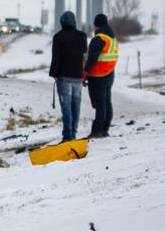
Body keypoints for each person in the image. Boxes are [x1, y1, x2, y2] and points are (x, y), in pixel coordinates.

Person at [49, 10, 88, 141]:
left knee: (66, 108)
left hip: (64, 77)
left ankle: (67, 136)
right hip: (78, 76)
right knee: (75, 106)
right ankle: (74, 133)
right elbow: (84, 56)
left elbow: (56, 58)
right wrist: (84, 74)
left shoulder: (58, 37)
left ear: (62, 23)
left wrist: (53, 73)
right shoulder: (82, 36)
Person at [84, 13, 118, 138]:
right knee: (106, 103)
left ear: (96, 24)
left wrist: (85, 72)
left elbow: (92, 57)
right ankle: (105, 129)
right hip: (109, 74)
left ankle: (97, 131)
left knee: (99, 105)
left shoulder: (99, 38)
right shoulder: (112, 38)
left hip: (98, 75)